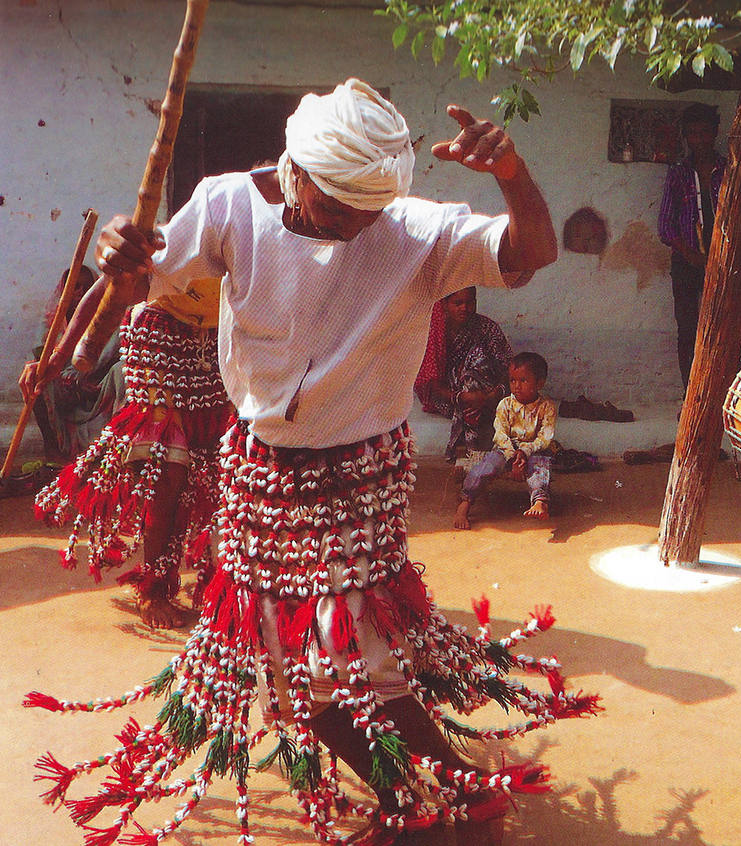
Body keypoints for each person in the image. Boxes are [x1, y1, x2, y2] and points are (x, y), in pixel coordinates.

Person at [27, 79, 597, 846]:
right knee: (330, 665)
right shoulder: (229, 203)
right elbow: (145, 282)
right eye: (336, 210)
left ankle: (429, 801)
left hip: (358, 472)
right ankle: (452, 792)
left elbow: (530, 251)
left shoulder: (414, 229)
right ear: (295, 170)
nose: (352, 228)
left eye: (367, 213)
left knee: (317, 671)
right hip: (258, 468)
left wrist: (511, 175)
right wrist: (120, 258)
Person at [21, 272, 228, 629]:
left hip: (217, 349)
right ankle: (153, 586)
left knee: (219, 470)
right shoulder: (183, 230)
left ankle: (218, 581)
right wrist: (59, 355)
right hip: (159, 344)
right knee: (165, 470)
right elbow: (109, 283)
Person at [657, 102, 726, 391]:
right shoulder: (678, 173)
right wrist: (691, 254)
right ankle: (692, 393)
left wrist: (715, 256)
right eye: (693, 134)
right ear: (686, 136)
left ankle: (720, 390)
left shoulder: (728, 170)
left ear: (714, 134)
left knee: (722, 327)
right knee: (687, 329)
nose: (699, 140)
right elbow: (664, 226)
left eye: (705, 133)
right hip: (686, 263)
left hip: (722, 261)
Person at [24, 265, 120, 465]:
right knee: (35, 374)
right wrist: (73, 384)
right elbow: (46, 362)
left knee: (122, 371)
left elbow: (113, 357)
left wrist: (88, 382)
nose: (81, 292)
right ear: (63, 292)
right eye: (75, 286)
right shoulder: (53, 325)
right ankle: (53, 452)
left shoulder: (110, 320)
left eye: (87, 287)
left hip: (100, 391)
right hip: (67, 395)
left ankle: (118, 449)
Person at [454, 352, 556, 529]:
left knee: (541, 466)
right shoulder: (505, 405)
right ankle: (465, 503)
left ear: (539, 384)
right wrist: (512, 456)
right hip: (505, 449)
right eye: (512, 380)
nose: (516, 386)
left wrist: (526, 451)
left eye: (523, 380)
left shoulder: (547, 407)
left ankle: (540, 502)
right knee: (486, 467)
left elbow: (545, 437)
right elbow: (500, 434)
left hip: (534, 451)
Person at [414, 286, 513, 460]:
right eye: (457, 303)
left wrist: (492, 396)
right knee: (473, 364)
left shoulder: (486, 328)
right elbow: (433, 386)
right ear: (444, 304)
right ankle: (475, 448)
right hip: (449, 400)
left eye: (469, 302)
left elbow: (508, 371)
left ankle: (465, 448)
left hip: (487, 398)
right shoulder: (435, 331)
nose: (464, 308)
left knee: (477, 358)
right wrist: (464, 397)